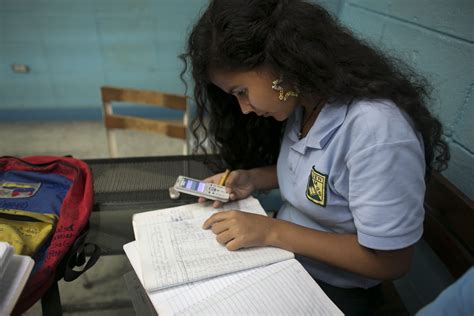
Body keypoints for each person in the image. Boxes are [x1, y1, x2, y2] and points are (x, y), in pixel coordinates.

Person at [180, 0, 450, 314]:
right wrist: (252, 178)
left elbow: (392, 261)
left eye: (241, 91)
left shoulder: (378, 129)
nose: (244, 108)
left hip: (332, 290)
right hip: (285, 261)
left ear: (279, 63)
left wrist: (271, 231)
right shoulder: (305, 102)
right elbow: (322, 178)